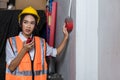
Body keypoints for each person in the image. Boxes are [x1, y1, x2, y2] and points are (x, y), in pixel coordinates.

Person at [5, 6, 68, 80]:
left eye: (32, 23)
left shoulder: (41, 42)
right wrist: (24, 50)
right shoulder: (11, 42)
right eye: (25, 22)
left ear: (35, 26)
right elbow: (11, 67)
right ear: (20, 23)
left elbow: (56, 52)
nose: (28, 26)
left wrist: (66, 37)